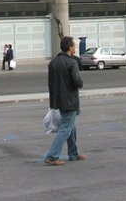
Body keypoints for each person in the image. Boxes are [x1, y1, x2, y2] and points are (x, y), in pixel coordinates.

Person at [44, 36, 84, 166]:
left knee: (70, 126)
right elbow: (78, 82)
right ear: (69, 47)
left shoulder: (53, 62)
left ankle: (73, 153)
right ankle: (52, 156)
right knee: (66, 128)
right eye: (74, 46)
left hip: (59, 100)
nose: (75, 48)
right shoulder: (71, 63)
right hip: (70, 100)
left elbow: (51, 83)